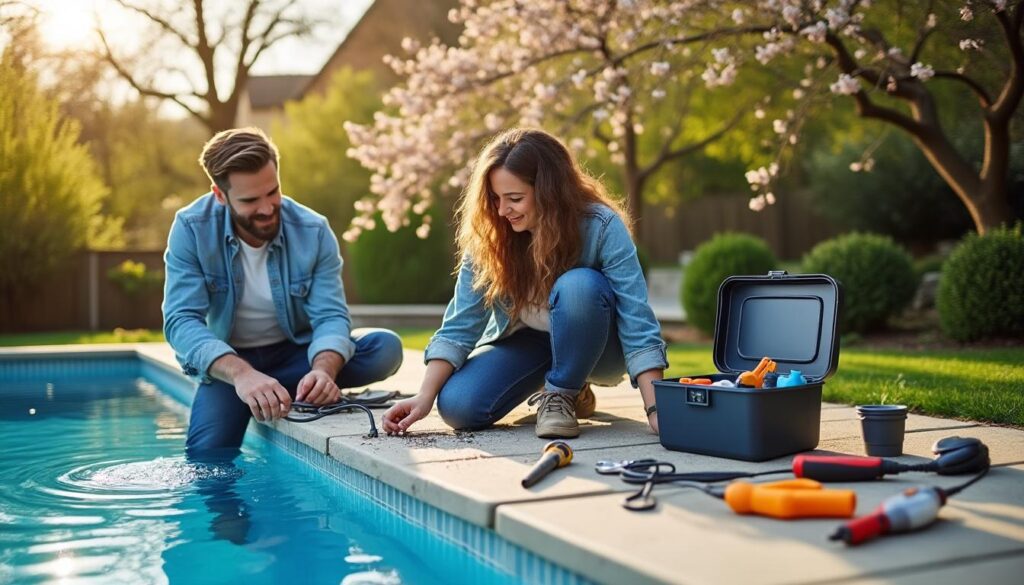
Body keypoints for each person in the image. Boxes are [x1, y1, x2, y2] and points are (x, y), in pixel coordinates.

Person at [382, 128, 666, 439]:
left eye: (514, 198)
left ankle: (563, 391)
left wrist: (656, 410)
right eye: (495, 199)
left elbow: (638, 320)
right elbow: (461, 323)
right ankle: (570, 386)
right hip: (532, 342)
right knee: (458, 407)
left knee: (579, 286)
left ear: (550, 192)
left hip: (598, 348)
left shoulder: (601, 227)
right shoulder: (490, 236)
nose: (503, 211)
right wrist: (424, 397)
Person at [163, 127, 403, 458]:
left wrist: (323, 370)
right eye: (250, 200)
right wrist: (243, 376)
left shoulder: (312, 230)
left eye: (272, 192)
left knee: (384, 348)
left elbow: (330, 315)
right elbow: (180, 321)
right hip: (232, 365)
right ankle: (268, 390)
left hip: (296, 356)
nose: (266, 208)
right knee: (206, 455)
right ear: (220, 195)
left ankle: (301, 388)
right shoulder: (190, 229)